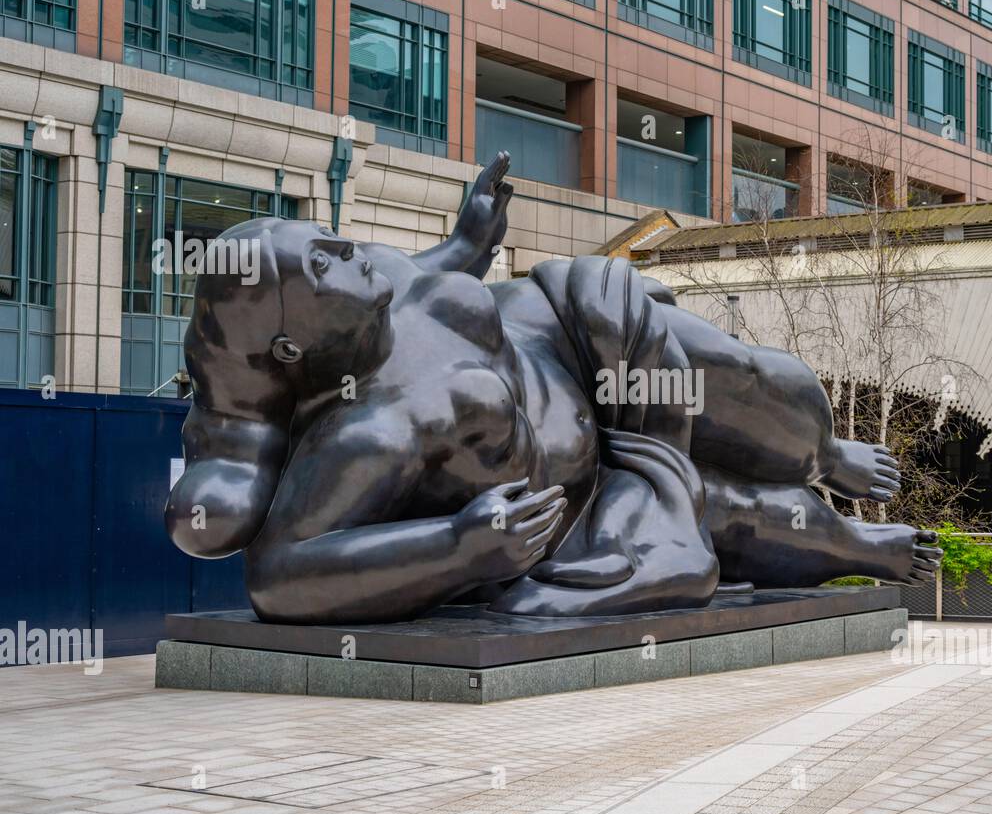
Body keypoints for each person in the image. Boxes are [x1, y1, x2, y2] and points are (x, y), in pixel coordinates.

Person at [166, 154, 940, 622]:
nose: (347, 248)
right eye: (321, 264)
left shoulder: (387, 275)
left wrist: (469, 241)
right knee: (721, 509)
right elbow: (280, 577)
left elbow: (440, 267)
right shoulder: (365, 434)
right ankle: (859, 546)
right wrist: (458, 549)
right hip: (584, 489)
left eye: (329, 240)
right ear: (291, 344)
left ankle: (825, 450)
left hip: (571, 325)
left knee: (757, 390)